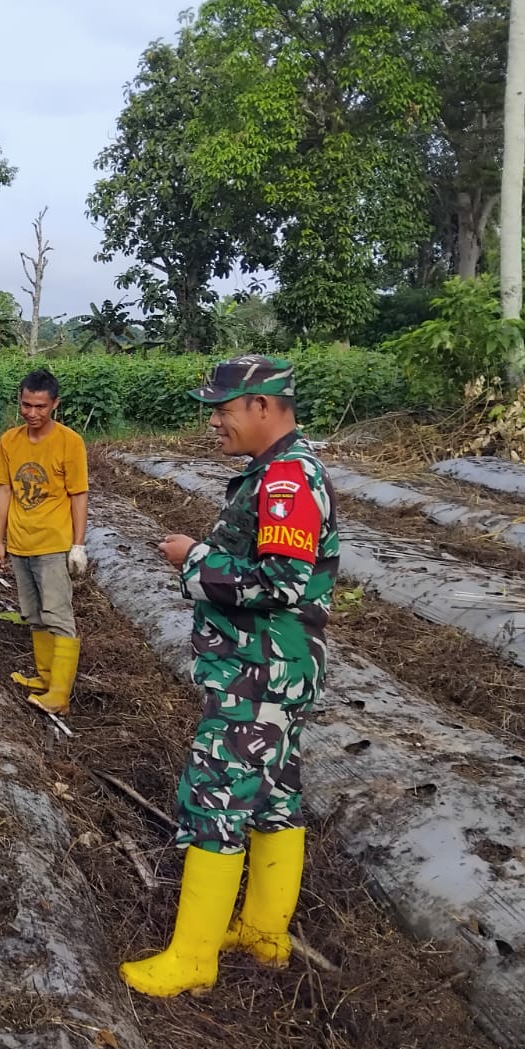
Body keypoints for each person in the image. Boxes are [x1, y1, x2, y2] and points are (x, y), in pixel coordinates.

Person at [120, 354, 340, 998]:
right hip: (278, 667)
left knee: (215, 797)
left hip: (261, 670)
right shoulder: (276, 474)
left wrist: (196, 561)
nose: (214, 421)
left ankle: (192, 958)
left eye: (223, 409)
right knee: (274, 797)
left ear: (264, 407)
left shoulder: (286, 482)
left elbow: (281, 582)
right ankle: (265, 933)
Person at [0, 369, 90, 714]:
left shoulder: (69, 442)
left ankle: (59, 696)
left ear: (55, 404)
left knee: (58, 615)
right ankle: (45, 679)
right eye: (26, 405)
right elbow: (4, 490)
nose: (32, 413)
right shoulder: (9, 441)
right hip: (20, 543)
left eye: (40, 406)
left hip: (53, 543)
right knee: (32, 614)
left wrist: (78, 544)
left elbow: (78, 495)